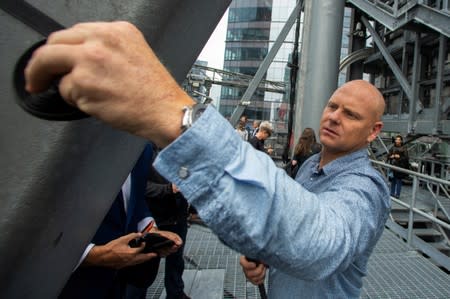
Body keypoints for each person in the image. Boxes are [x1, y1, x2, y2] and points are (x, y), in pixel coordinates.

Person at [25, 22, 390, 298]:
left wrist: (177, 117)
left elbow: (323, 243)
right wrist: (269, 257)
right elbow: (294, 227)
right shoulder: (311, 166)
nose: (333, 117)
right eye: (332, 106)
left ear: (373, 132)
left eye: (351, 115)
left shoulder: (365, 188)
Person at [59, 144, 182, 299]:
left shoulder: (141, 149)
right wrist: (94, 255)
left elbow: (135, 199)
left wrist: (150, 230)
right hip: (73, 284)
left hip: (120, 279)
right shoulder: (65, 149)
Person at [146, 144, 190, 299]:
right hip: (155, 219)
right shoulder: (144, 152)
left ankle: (176, 293)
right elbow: (141, 186)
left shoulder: (177, 148)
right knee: (147, 263)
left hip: (178, 216)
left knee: (177, 259)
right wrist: (168, 189)